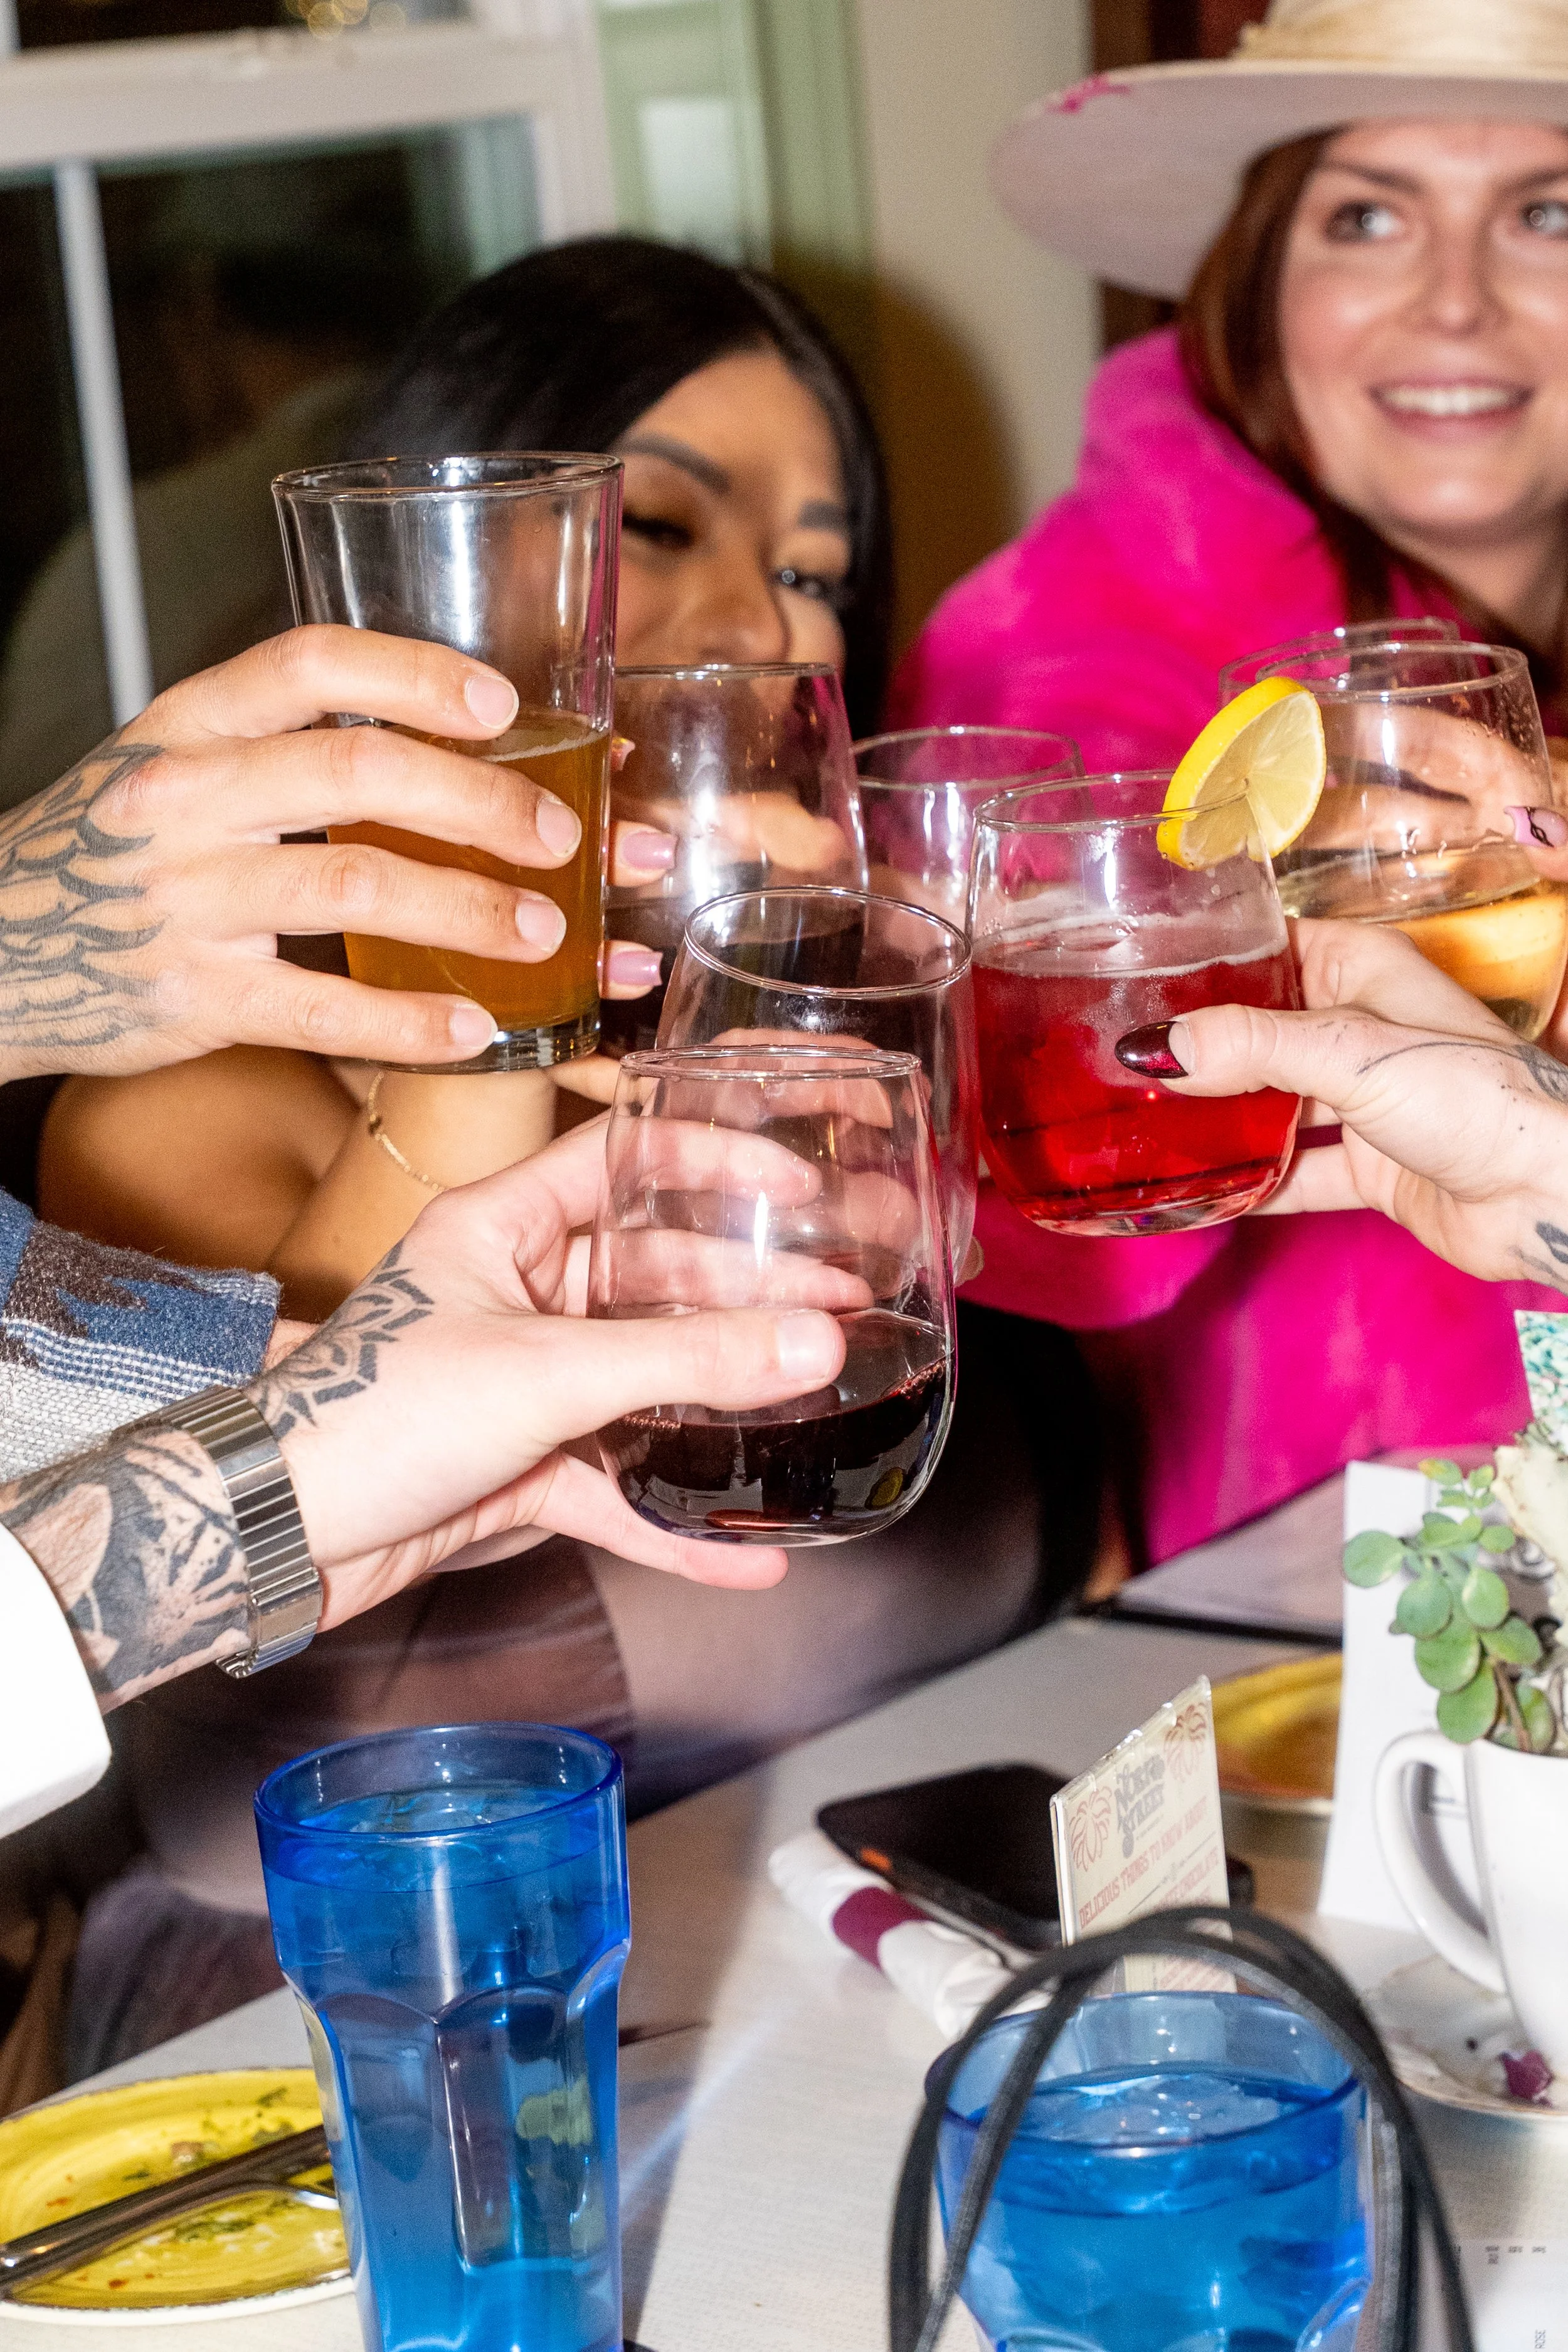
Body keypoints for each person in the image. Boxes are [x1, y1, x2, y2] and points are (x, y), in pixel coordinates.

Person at [25, 241, 1094, 2073]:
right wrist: (501, 988)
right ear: (424, 608)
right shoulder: (167, 1090)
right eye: (665, 528)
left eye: (818, 567)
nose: (775, 618)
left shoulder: (827, 1078)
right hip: (349, 2054)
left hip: (858, 2003)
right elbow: (212, 1533)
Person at [891, 0, 1568, 1574]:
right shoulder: (1071, 639)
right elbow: (1054, 1225)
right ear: (1257, 291)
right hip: (1338, 1645)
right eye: (1365, 216)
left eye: (1545, 211)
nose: (1452, 302)